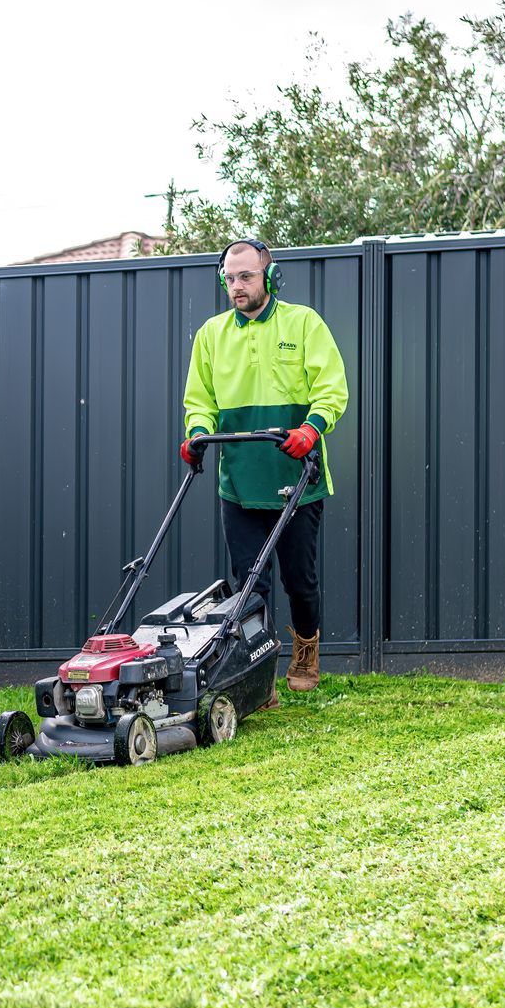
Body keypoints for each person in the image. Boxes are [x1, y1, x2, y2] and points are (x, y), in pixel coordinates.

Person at [180, 239, 348, 702]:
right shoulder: (211, 335)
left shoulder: (304, 323)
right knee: (251, 583)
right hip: (238, 479)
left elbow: (332, 388)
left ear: (269, 277)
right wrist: (197, 434)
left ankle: (306, 650)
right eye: (229, 279)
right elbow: (200, 400)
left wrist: (312, 430)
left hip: (297, 476)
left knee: (300, 581)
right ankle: (259, 673)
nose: (236, 286)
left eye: (246, 276)